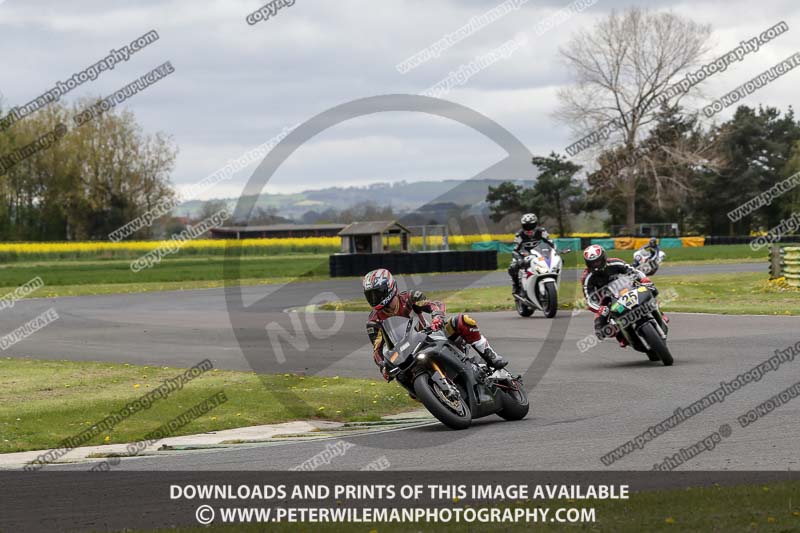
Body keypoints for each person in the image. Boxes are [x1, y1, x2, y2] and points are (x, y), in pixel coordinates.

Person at [362, 268, 507, 381]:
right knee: (402, 380)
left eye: (377, 293)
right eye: (370, 295)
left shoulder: (409, 297)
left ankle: (490, 355)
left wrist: (437, 317)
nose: (374, 298)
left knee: (463, 320)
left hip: (428, 336)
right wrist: (383, 367)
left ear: (389, 287)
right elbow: (377, 351)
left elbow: (433, 305)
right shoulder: (374, 321)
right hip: (405, 355)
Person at [580, 245, 662, 347]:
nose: (595, 265)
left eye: (597, 261)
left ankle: (659, 312)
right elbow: (589, 299)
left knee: (651, 289)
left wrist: (644, 280)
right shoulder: (587, 277)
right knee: (600, 329)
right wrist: (600, 308)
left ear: (603, 258)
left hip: (627, 288)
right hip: (609, 300)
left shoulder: (615, 262)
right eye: (592, 263)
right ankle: (622, 336)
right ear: (587, 263)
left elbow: (633, 271)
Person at [508, 213, 555, 295]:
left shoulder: (541, 231)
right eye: (526, 226)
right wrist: (519, 259)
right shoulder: (519, 235)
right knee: (512, 267)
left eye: (531, 225)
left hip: (539, 254)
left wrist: (555, 253)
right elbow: (515, 250)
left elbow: (550, 243)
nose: (529, 228)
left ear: (535, 224)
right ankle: (516, 285)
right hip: (524, 255)